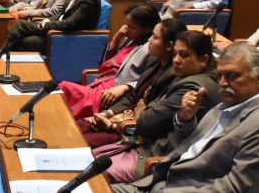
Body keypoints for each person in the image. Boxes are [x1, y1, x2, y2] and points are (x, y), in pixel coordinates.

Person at [111, 43, 259, 193]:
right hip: (156, 186)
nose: (223, 83)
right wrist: (185, 119)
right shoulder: (226, 105)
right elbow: (190, 149)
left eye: (233, 76)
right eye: (220, 76)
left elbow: (233, 190)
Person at [91, 29, 219, 183]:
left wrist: (129, 118)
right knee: (89, 160)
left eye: (184, 55)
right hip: (142, 144)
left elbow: (146, 121)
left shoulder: (193, 86)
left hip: (153, 157)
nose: (176, 60)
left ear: (203, 60)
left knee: (94, 173)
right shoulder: (188, 77)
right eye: (175, 54)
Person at [59, 3, 159, 119]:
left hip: (112, 93)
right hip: (99, 84)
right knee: (62, 91)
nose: (126, 30)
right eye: (126, 25)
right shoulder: (130, 39)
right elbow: (107, 63)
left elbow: (150, 82)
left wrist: (127, 86)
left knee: (64, 88)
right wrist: (116, 40)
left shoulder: (151, 49)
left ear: (147, 29)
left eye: (132, 27)